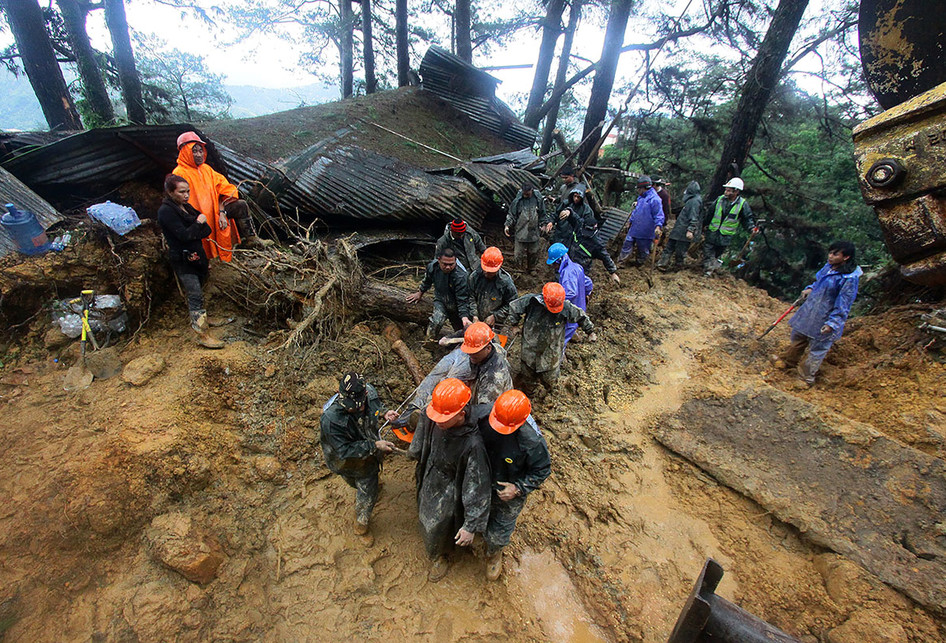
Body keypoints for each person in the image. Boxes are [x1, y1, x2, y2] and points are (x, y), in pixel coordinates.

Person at [408, 378, 491, 582]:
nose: (437, 421)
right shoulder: (438, 413)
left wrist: (471, 525)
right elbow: (423, 431)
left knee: (440, 523)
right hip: (431, 468)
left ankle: (441, 555)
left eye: (442, 419)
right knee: (423, 504)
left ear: (461, 413)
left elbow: (477, 488)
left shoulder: (473, 445)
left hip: (450, 485)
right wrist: (415, 452)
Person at [320, 373, 401, 543]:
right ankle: (361, 526)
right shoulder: (330, 419)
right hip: (345, 459)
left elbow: (377, 406)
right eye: (350, 406)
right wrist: (374, 446)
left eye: (357, 406)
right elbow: (343, 450)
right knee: (353, 480)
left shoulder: (369, 392)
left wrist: (385, 413)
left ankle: (361, 523)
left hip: (367, 458)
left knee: (367, 486)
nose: (353, 409)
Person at [479, 390, 550, 580]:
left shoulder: (532, 443)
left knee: (498, 532)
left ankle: (494, 553)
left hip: (509, 483)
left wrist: (518, 488)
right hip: (485, 473)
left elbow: (542, 470)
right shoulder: (486, 414)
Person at [773, 242, 862, 386]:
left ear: (846, 257)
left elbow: (844, 303)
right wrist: (810, 289)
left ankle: (806, 378)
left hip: (826, 316)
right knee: (798, 338)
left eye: (835, 254)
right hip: (810, 311)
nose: (830, 256)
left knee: (817, 349)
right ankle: (787, 362)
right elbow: (818, 282)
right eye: (830, 252)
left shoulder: (849, 278)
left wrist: (832, 323)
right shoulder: (829, 267)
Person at [156, 174, 226, 349]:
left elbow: (207, 230)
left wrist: (197, 226)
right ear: (170, 192)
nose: (186, 195)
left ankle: (205, 319)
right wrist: (197, 223)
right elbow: (184, 236)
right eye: (182, 192)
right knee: (195, 294)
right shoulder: (166, 211)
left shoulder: (186, 207)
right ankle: (202, 334)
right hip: (183, 259)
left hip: (197, 256)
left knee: (202, 288)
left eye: (188, 191)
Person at [172, 131, 263, 262]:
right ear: (184, 151)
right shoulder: (179, 173)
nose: (199, 154)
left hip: (217, 211)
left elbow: (222, 191)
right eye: (194, 151)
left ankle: (251, 239)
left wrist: (221, 212)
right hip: (198, 217)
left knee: (240, 205)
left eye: (200, 150)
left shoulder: (206, 169)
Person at [405, 321, 513, 423]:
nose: (470, 355)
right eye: (469, 351)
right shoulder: (479, 351)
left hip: (489, 409)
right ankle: (423, 409)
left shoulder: (493, 378)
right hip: (475, 381)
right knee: (444, 380)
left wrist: (458, 412)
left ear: (488, 348)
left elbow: (483, 411)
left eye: (474, 352)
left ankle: (428, 414)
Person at [504, 282, 596, 394]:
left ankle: (550, 395)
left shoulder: (566, 307)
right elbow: (514, 307)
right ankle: (529, 393)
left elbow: (581, 316)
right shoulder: (531, 301)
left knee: (551, 382)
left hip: (551, 354)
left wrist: (590, 331)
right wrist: (514, 324)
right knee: (527, 378)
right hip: (529, 351)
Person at [406, 248, 474, 338]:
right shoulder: (433, 267)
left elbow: (462, 299)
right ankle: (429, 342)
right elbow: (427, 281)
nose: (448, 267)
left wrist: (464, 316)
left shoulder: (461, 276)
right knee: (436, 321)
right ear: (439, 260)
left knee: (461, 331)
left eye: (451, 264)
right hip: (440, 299)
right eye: (445, 264)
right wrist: (420, 293)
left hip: (456, 305)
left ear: (455, 261)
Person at [702, 177, 757, 276]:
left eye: (728, 190)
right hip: (713, 231)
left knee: (717, 253)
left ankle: (712, 266)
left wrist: (751, 228)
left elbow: (747, 219)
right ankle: (708, 270)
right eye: (726, 190)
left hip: (725, 235)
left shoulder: (742, 205)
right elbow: (710, 213)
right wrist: (704, 224)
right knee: (708, 250)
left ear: (736, 191)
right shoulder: (719, 200)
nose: (726, 192)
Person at [547, 243, 593, 350]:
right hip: (580, 308)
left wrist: (555, 301)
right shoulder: (576, 267)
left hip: (571, 313)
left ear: (559, 260)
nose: (553, 266)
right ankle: (573, 334)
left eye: (554, 263)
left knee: (560, 341)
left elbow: (571, 293)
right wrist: (587, 294)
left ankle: (558, 359)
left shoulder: (567, 274)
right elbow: (588, 283)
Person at [657, 181, 703, 271]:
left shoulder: (695, 202)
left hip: (684, 230)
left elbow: (694, 217)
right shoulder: (692, 200)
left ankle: (678, 267)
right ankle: (662, 263)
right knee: (669, 246)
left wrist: (690, 230)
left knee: (680, 251)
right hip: (679, 228)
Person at [619, 175, 664, 266]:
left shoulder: (655, 200)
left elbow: (659, 215)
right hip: (634, 228)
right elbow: (636, 211)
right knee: (627, 245)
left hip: (645, 231)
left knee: (643, 250)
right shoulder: (641, 198)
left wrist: (658, 226)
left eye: (639, 189)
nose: (637, 191)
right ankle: (621, 262)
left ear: (644, 188)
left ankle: (639, 266)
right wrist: (630, 221)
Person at [469, 247, 518, 327]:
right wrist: (474, 315)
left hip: (497, 323)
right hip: (477, 320)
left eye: (491, 272)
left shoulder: (506, 282)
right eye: (486, 270)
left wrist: (495, 316)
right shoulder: (475, 277)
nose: (487, 273)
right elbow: (471, 297)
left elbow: (513, 304)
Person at [505, 182, 547, 273]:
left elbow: (543, 213)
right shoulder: (518, 200)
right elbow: (512, 214)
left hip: (534, 231)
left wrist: (543, 225)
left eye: (527, 193)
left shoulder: (538, 199)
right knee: (518, 253)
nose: (525, 195)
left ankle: (532, 268)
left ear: (531, 190)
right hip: (521, 231)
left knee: (534, 252)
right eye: (524, 193)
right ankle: (518, 270)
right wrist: (507, 225)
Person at [568, 219, 620, 283]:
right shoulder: (579, 225)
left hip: (582, 266)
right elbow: (574, 216)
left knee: (577, 282)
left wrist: (613, 273)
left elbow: (605, 257)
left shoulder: (597, 243)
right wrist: (569, 210)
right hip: (570, 259)